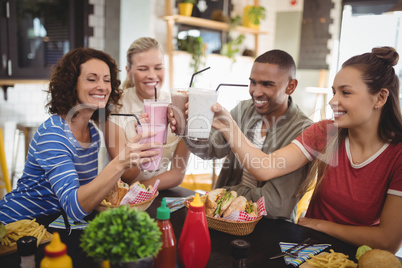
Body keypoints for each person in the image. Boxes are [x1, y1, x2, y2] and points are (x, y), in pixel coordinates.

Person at [210, 46, 402, 253]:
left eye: (345, 93)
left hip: (359, 254)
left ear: (381, 98)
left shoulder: (397, 156)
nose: (333, 101)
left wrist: (320, 225)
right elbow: (265, 167)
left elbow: (387, 241)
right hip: (307, 247)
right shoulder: (324, 132)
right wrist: (227, 125)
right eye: (334, 92)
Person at [0, 48, 160, 225]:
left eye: (107, 80)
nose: (102, 86)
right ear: (71, 84)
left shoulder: (92, 133)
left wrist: (139, 146)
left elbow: (86, 196)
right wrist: (120, 162)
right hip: (14, 227)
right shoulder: (53, 134)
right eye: (92, 79)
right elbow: (75, 208)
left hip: (52, 226)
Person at [171, 49, 313, 222]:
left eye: (267, 84)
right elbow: (212, 149)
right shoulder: (243, 109)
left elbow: (275, 205)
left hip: (271, 227)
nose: (256, 92)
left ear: (291, 86)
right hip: (226, 220)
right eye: (253, 82)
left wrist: (223, 195)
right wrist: (188, 127)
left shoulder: (304, 131)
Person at [105, 37, 190, 190]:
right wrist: (143, 142)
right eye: (143, 69)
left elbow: (177, 173)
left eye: (158, 67)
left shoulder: (178, 104)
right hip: (121, 197)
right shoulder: (117, 107)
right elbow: (126, 176)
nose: (152, 75)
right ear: (129, 71)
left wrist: (141, 192)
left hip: (157, 192)